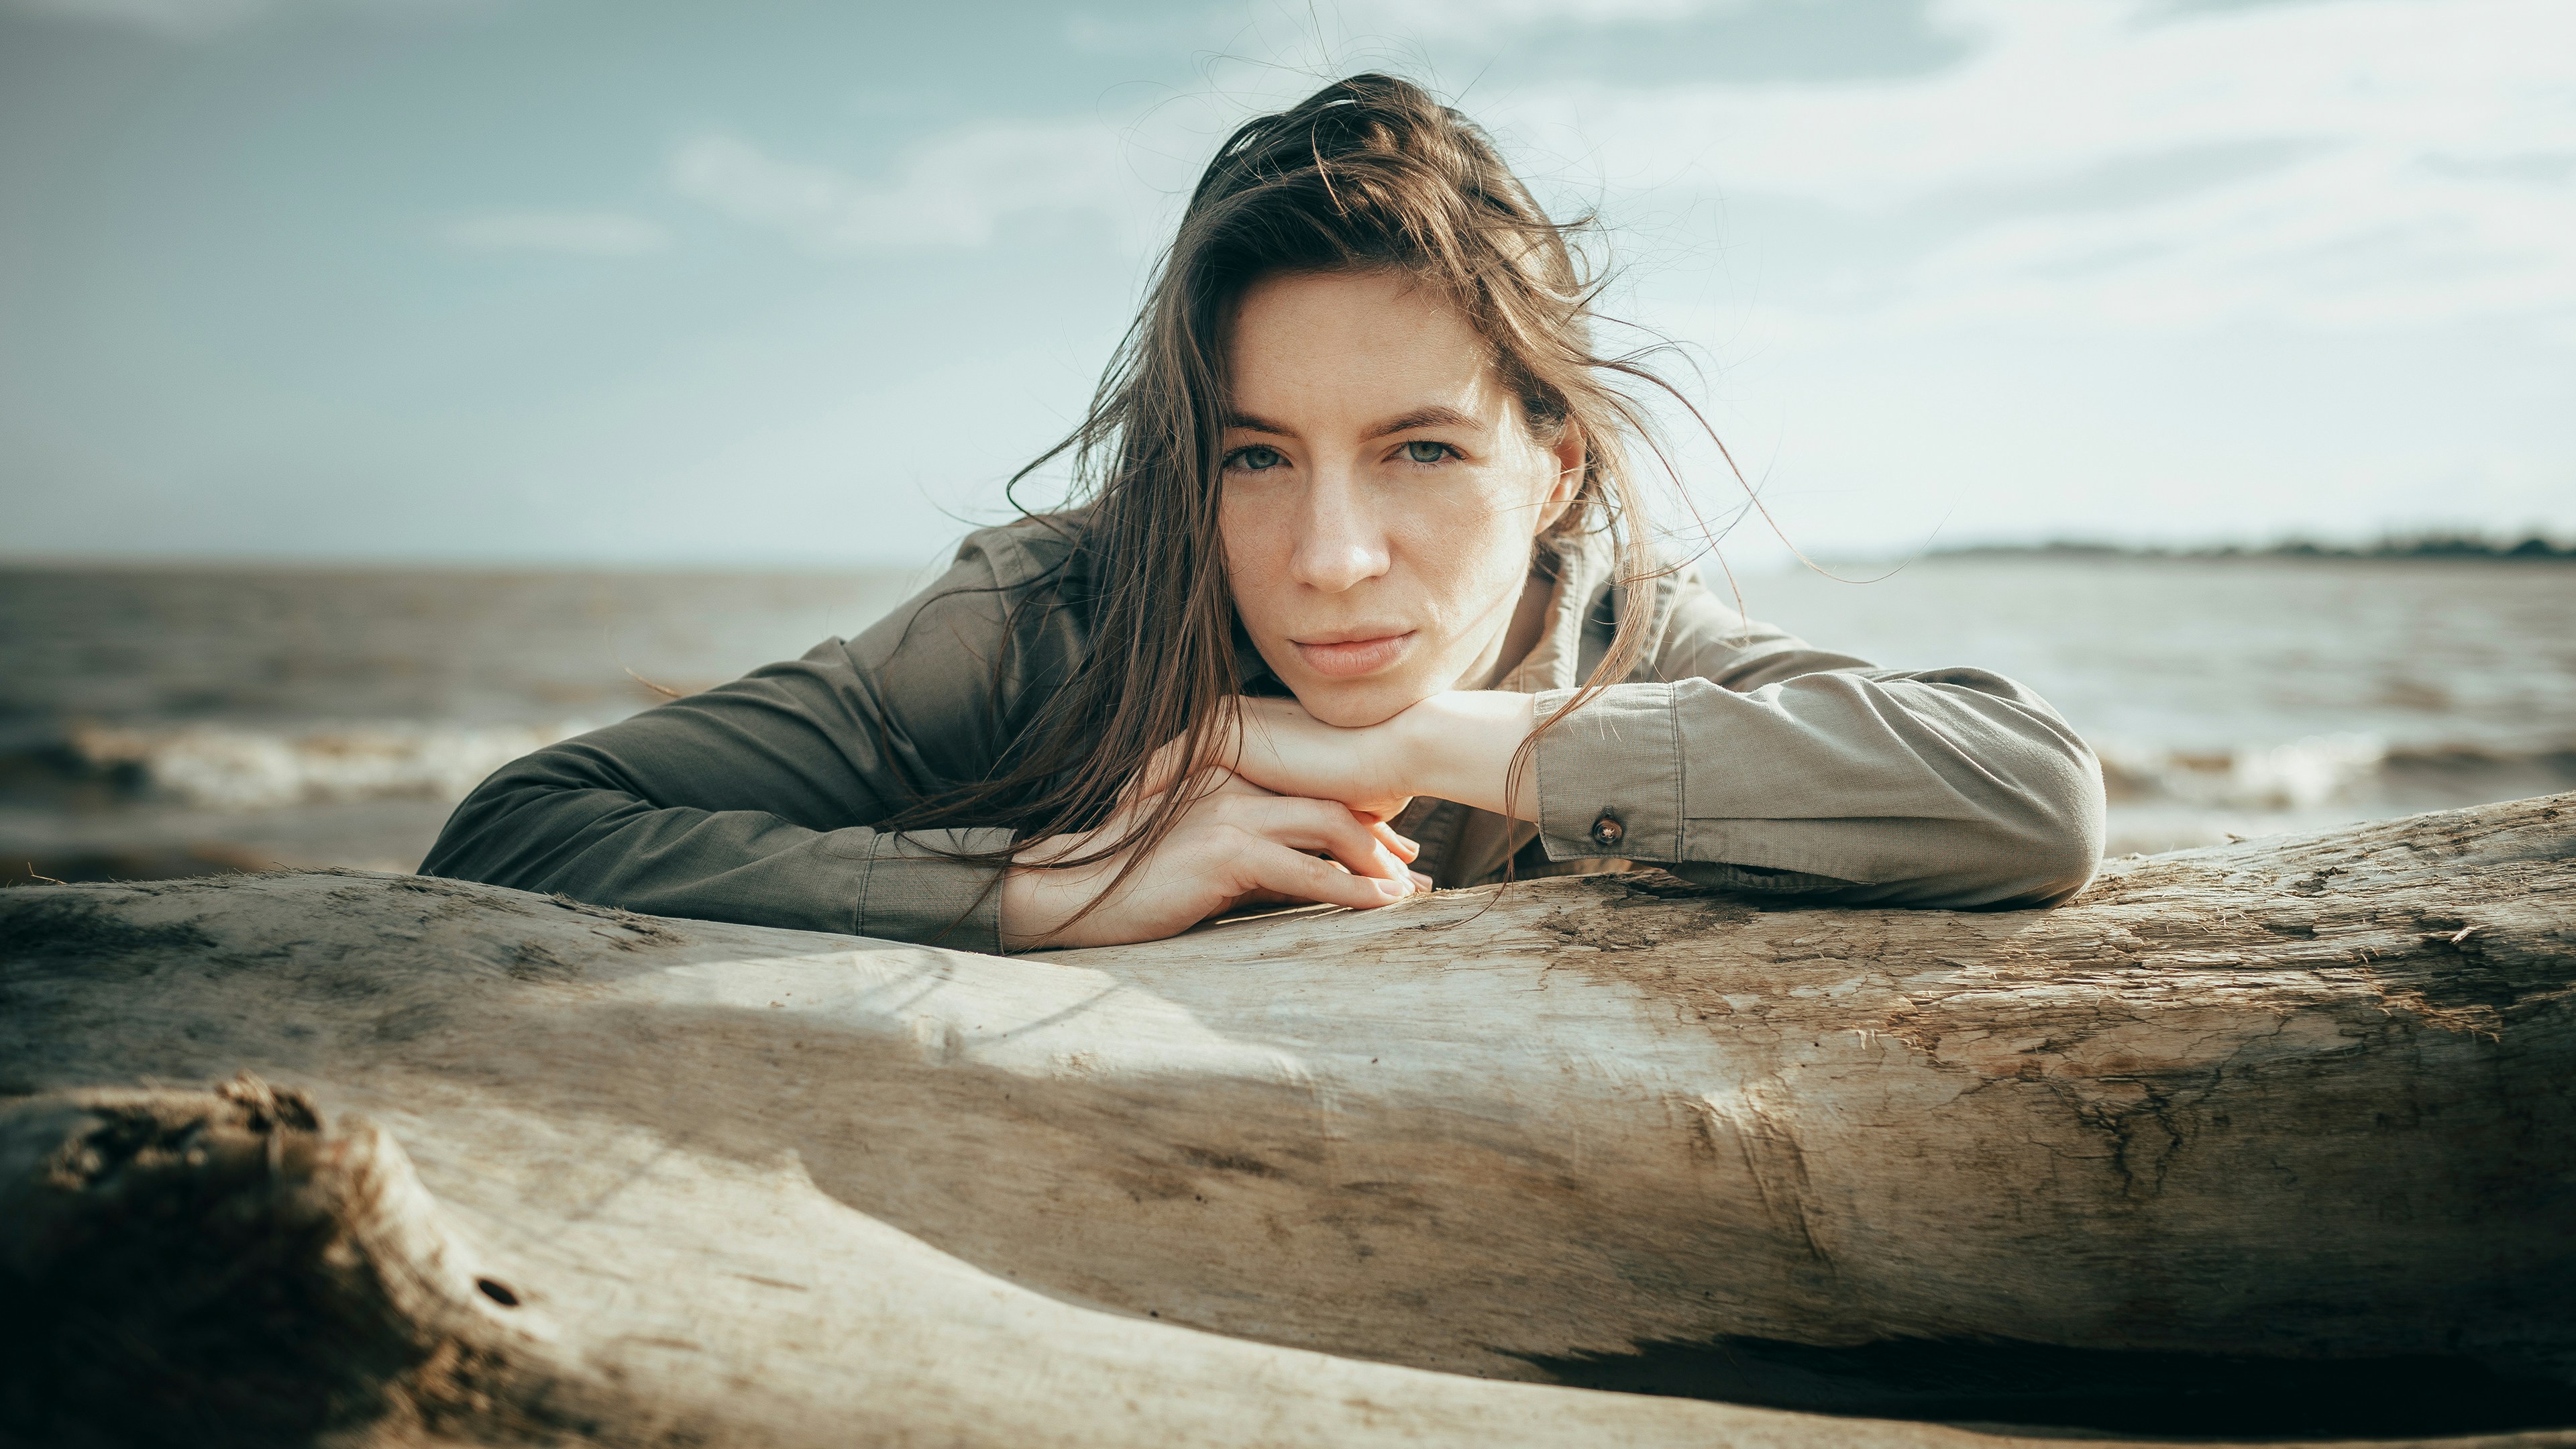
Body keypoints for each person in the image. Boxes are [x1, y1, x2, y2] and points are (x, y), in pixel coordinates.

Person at [422, 74, 2105, 953]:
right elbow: (522, 835)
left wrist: (1421, 746)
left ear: (1558, 465)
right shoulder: (1046, 622)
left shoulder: (1622, 639)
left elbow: (2030, 801)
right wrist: (1036, 891)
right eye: (1256, 456)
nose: (1328, 558)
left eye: (1424, 452)